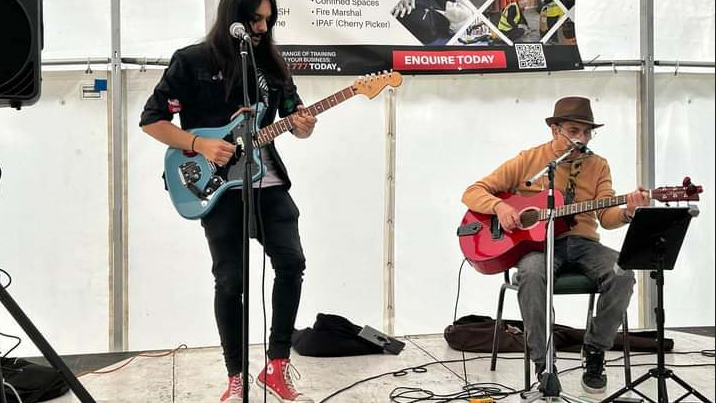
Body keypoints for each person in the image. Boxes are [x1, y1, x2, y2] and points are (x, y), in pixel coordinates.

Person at [139, 0, 317, 401]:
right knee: (230, 279)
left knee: (292, 262)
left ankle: (277, 364)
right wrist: (199, 143)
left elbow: (294, 118)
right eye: (254, 18)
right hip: (218, 189)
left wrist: (303, 125)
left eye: (267, 21)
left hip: (267, 182)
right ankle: (235, 375)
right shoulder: (191, 61)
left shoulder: (273, 65)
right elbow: (152, 120)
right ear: (232, 16)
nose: (260, 27)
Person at [461, 96, 649, 393]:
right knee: (531, 273)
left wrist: (628, 210)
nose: (582, 138)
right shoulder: (529, 160)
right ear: (555, 130)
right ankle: (543, 362)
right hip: (537, 246)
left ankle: (596, 351)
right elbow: (473, 192)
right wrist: (500, 208)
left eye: (587, 132)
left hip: (584, 243)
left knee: (623, 272)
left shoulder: (598, 165)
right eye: (574, 130)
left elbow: (607, 217)